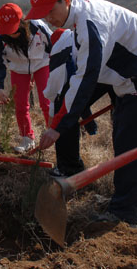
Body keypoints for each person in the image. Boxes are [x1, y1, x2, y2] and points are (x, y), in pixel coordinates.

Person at [30, 0, 137, 229]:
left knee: (133, 145)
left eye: (51, 11)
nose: (49, 18)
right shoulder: (78, 20)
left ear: (66, 1)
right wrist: (62, 120)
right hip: (120, 74)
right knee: (118, 135)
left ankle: (126, 215)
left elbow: (86, 77)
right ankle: (102, 184)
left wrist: (58, 127)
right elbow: (79, 79)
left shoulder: (89, 24)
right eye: (43, 14)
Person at [43, 28, 115, 177]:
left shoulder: (59, 49)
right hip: (120, 68)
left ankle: (68, 169)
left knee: (63, 108)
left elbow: (55, 93)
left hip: (97, 69)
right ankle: (132, 169)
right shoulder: (75, 36)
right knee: (125, 119)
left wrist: (53, 122)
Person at [0, 2, 52, 153]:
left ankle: (53, 133)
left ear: (22, 22)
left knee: (47, 101)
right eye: (6, 30)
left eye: (13, 29)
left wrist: (59, 72)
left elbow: (55, 45)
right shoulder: (0, 37)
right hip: (18, 68)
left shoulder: (37, 26)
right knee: (20, 105)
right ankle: (27, 139)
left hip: (42, 63)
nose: (10, 34)